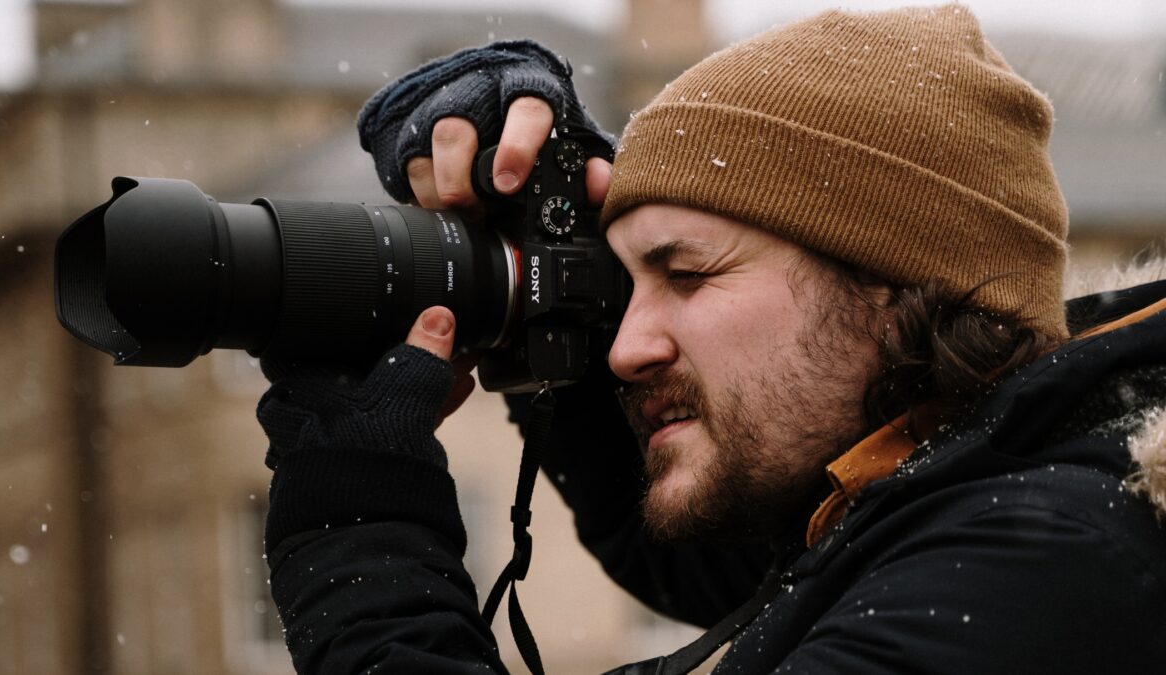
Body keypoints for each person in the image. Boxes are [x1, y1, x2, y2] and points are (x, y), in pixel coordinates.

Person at [256, 5, 1166, 673]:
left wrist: (360, 522)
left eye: (685, 273)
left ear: (894, 286)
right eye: (628, 283)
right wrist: (552, 279)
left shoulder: (1043, 566)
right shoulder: (932, 490)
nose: (624, 345)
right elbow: (705, 563)